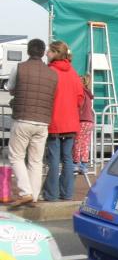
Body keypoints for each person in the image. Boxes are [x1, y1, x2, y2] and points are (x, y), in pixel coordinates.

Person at [6, 38, 58, 209]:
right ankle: (34, 196)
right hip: (43, 122)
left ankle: (25, 192)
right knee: (36, 161)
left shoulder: (19, 67)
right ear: (43, 52)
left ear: (28, 51)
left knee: (16, 156)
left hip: (22, 119)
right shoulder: (52, 74)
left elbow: (11, 87)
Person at [42, 41, 84, 201]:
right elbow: (80, 98)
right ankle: (67, 193)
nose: (47, 54)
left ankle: (51, 194)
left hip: (55, 122)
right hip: (71, 122)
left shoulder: (51, 72)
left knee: (53, 159)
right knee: (67, 159)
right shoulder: (73, 73)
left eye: (49, 51)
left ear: (55, 53)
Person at [72, 74, 95, 175]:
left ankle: (76, 164)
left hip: (82, 120)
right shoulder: (88, 94)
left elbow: (78, 106)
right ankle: (84, 165)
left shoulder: (81, 93)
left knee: (77, 142)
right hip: (89, 121)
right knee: (85, 143)